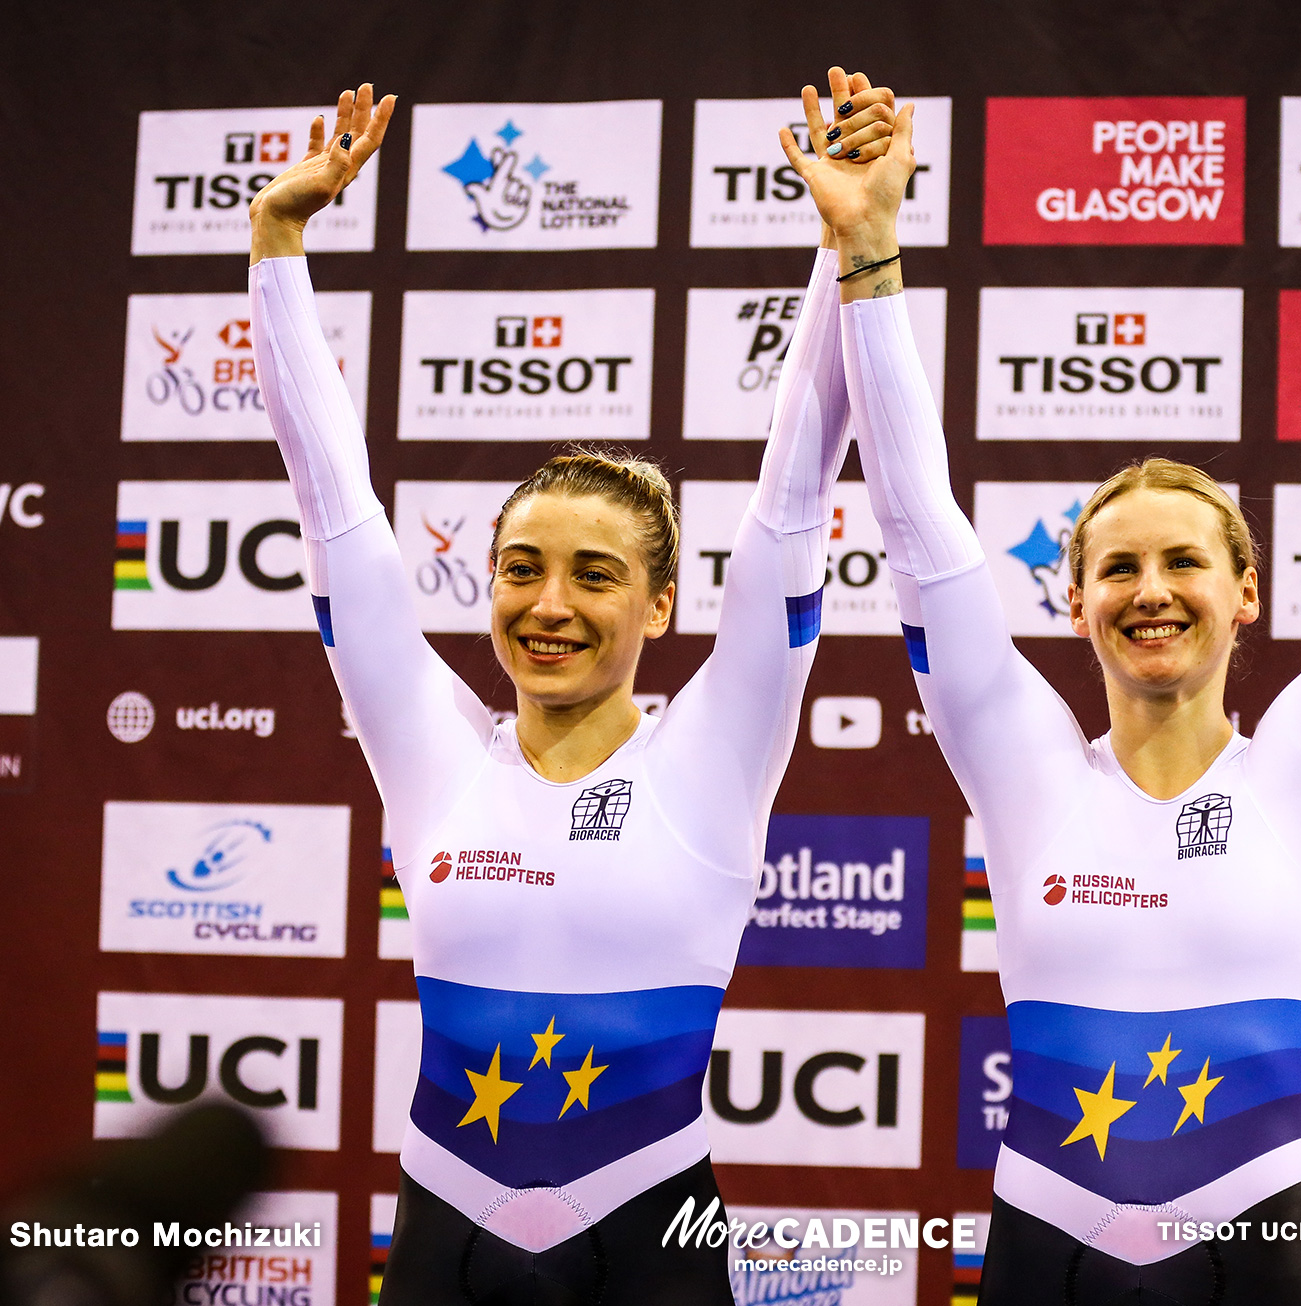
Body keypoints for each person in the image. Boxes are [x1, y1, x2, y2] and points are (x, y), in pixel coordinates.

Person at [785, 73, 1301, 1304]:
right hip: (1049, 1256)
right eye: (1117, 566)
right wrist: (869, 251)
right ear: (1073, 599)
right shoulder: (1022, 763)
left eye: (1184, 559)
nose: (1151, 590)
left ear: (1244, 594)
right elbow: (917, 520)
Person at [248, 79, 893, 1304]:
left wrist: (847, 248)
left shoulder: (709, 752)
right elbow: (330, 500)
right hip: (447, 1237)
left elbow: (796, 491)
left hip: (654, 1241)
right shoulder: (434, 751)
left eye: (594, 576)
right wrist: (278, 243)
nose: (548, 605)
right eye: (520, 570)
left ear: (659, 606)